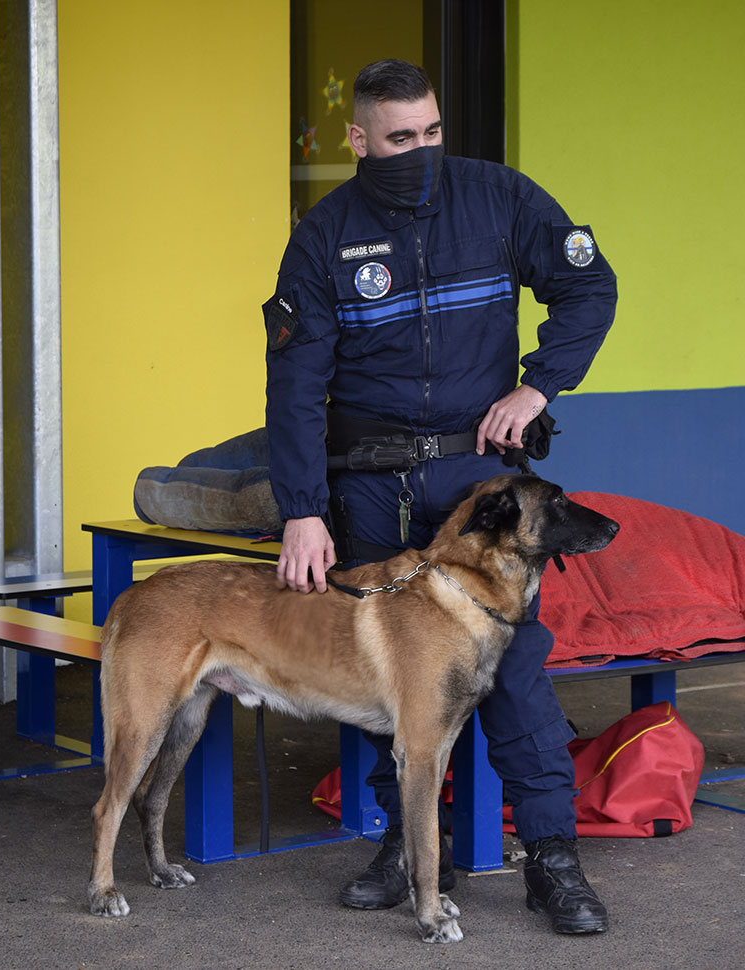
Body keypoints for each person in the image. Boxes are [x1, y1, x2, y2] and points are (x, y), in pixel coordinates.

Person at [263, 58, 617, 935]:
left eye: (429, 133)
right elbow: (297, 384)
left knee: (517, 680)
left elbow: (588, 287)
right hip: (373, 490)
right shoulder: (323, 235)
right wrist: (302, 508)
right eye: (397, 139)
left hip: (479, 483)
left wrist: (538, 388)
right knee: (395, 680)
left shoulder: (499, 198)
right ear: (358, 139)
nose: (418, 151)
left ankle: (553, 860)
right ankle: (411, 850)